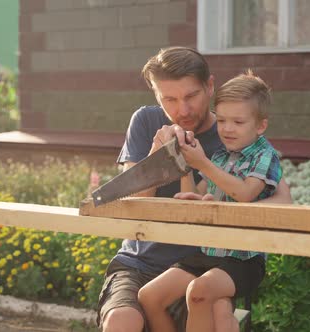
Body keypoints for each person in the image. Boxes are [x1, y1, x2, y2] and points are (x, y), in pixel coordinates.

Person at [97, 46, 293, 332]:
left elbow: (283, 201)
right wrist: (157, 156)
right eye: (170, 100)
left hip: (208, 262)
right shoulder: (146, 121)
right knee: (121, 321)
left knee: (215, 313)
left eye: (191, 96)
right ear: (156, 96)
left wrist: (220, 203)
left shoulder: (234, 129)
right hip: (140, 262)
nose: (183, 110)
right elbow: (133, 208)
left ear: (210, 86)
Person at [138, 71, 282, 332]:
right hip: (209, 253)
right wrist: (184, 166)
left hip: (243, 259)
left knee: (199, 292)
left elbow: (245, 194)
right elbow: (201, 193)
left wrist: (202, 162)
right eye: (223, 120)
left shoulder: (264, 155)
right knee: (149, 296)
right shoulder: (220, 156)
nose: (227, 128)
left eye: (238, 122)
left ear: (260, 125)